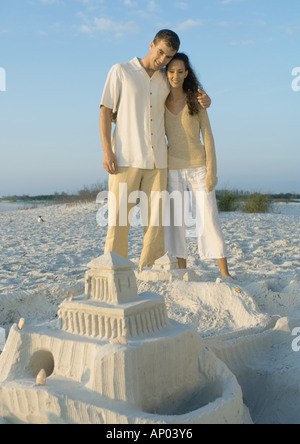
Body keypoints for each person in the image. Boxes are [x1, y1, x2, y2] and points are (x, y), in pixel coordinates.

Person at [100, 30, 211, 271]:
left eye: (168, 57)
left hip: (158, 161)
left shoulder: (165, 79)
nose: (162, 59)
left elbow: (186, 95)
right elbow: (106, 111)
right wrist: (107, 150)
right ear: (151, 45)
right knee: (119, 220)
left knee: (156, 222)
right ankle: (114, 269)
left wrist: (205, 99)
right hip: (125, 158)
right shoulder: (120, 71)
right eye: (160, 52)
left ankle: (147, 269)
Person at [164, 53, 231, 278]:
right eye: (171, 71)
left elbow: (208, 137)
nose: (175, 75)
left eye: (180, 71)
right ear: (166, 72)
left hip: (199, 168)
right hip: (171, 169)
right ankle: (183, 272)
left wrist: (212, 172)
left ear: (187, 73)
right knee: (176, 223)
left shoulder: (197, 99)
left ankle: (225, 274)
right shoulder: (159, 101)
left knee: (209, 218)